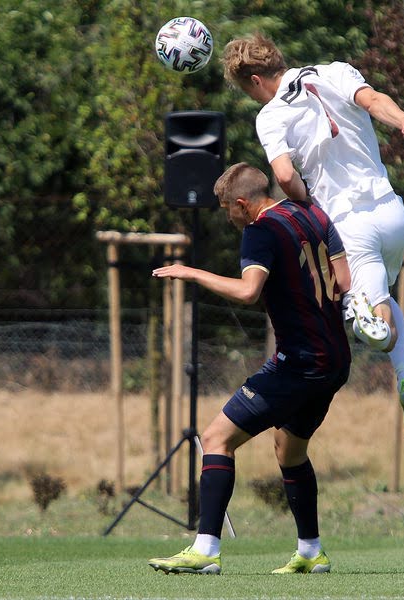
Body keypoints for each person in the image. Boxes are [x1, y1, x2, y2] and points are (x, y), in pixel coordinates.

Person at [221, 34, 404, 439]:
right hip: (391, 211)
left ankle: (373, 327)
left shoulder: (270, 115)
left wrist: (306, 203)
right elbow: (373, 100)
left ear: (256, 80)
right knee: (382, 293)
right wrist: (403, 119)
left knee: (365, 313)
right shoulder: (334, 71)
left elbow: (282, 175)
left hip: (348, 225)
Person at [148, 163, 351, 574]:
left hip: (300, 363)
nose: (229, 218)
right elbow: (345, 281)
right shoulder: (309, 213)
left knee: (216, 438)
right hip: (335, 359)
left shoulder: (261, 229)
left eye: (227, 209)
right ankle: (311, 553)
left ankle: (205, 549)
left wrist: (190, 272)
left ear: (243, 204)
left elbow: (248, 290)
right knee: (289, 450)